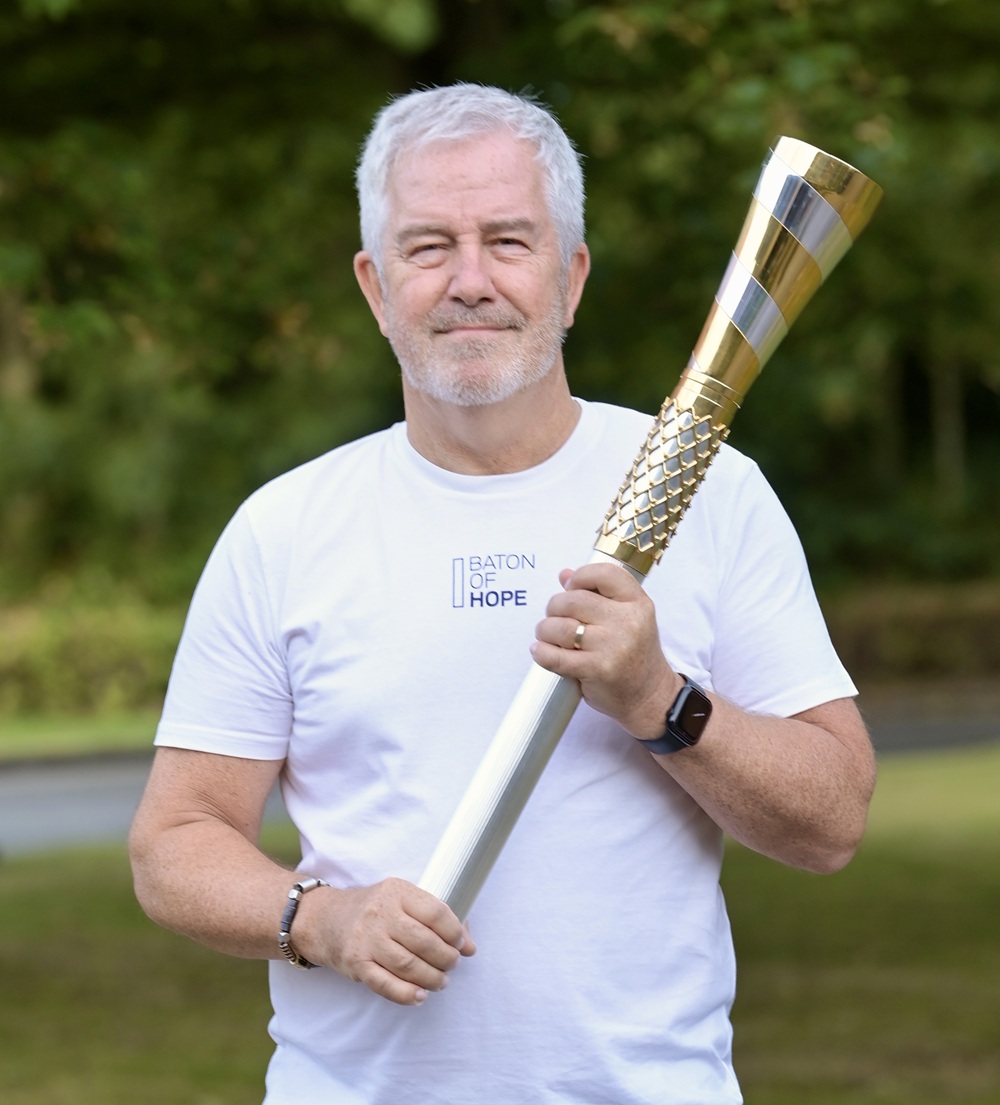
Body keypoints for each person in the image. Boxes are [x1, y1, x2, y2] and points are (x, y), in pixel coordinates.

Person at [129, 83, 876, 1105]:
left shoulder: (715, 491)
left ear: (569, 277)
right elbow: (174, 843)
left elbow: (831, 819)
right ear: (374, 284)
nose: (469, 280)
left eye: (509, 242)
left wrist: (662, 699)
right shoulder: (285, 529)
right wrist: (321, 919)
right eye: (428, 246)